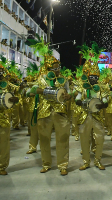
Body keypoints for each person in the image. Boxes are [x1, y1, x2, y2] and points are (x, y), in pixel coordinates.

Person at [26, 38, 72, 176]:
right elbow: (31, 92)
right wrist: (39, 90)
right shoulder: (41, 79)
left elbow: (68, 93)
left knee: (63, 138)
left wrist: (68, 96)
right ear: (48, 68)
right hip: (44, 113)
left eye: (58, 67)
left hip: (60, 112)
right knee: (44, 139)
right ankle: (46, 164)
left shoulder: (64, 79)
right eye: (54, 67)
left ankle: (63, 165)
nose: (57, 69)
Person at [74, 43, 109, 170]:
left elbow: (106, 102)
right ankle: (86, 162)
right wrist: (85, 103)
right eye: (91, 77)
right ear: (88, 77)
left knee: (100, 139)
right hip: (84, 116)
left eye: (96, 77)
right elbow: (77, 100)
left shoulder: (102, 88)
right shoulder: (83, 88)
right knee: (84, 140)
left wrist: (101, 105)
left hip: (98, 117)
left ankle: (98, 161)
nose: (93, 79)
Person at [0, 56, 20, 175]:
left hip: (4, 117)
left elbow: (16, 95)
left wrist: (14, 99)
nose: (0, 74)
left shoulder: (7, 84)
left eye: (1, 72)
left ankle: (2, 166)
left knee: (4, 142)